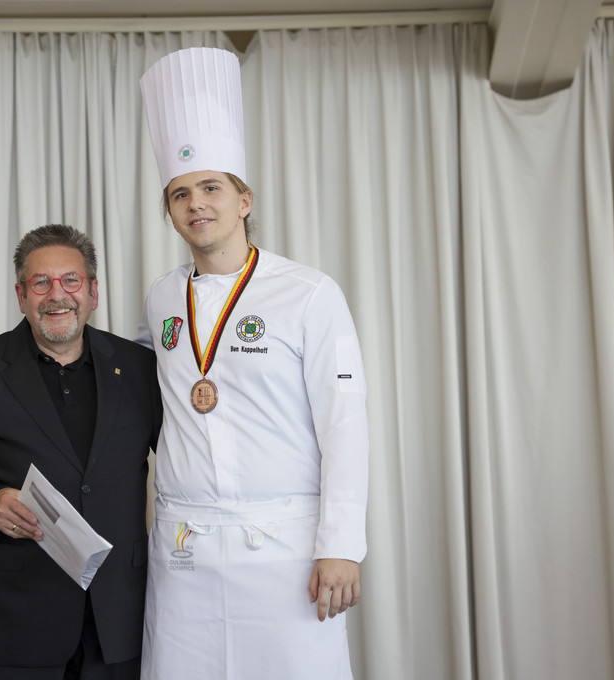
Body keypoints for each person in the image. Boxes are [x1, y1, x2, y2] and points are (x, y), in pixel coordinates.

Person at [136, 48, 370, 679]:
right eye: (180, 193)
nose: (196, 203)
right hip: (184, 550)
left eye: (211, 187)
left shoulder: (309, 293)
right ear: (170, 213)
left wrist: (341, 545)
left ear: (244, 200)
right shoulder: (161, 298)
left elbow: (344, 424)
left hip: (285, 549)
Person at [0, 224, 162, 680]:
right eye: (41, 282)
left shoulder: (141, 367)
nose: (57, 294)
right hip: (15, 622)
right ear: (21, 295)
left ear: (93, 291)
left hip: (120, 620)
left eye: (70, 280)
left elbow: (188, 457)